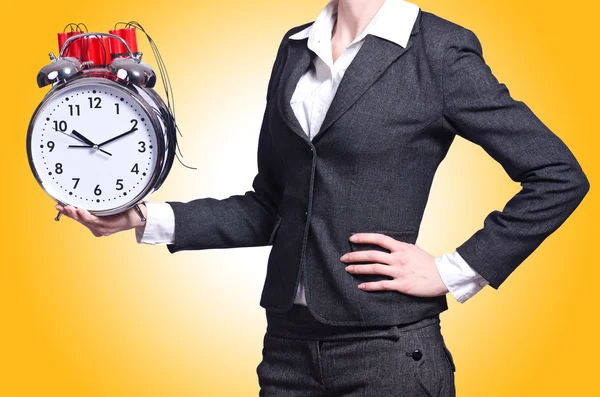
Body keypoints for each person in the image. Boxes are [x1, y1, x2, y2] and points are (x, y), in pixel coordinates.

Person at [55, 0, 590, 395]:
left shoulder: (438, 51)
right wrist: (142, 218)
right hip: (286, 351)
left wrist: (453, 270)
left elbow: (558, 175)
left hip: (387, 352)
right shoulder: (294, 49)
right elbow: (270, 207)